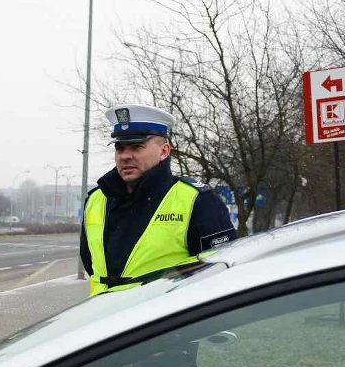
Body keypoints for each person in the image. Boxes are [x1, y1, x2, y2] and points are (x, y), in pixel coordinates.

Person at [80, 104, 237, 297]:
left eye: (137, 147)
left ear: (164, 151)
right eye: (120, 148)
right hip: (102, 319)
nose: (125, 156)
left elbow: (220, 271)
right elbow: (90, 262)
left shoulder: (198, 200)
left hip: (163, 322)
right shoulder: (96, 199)